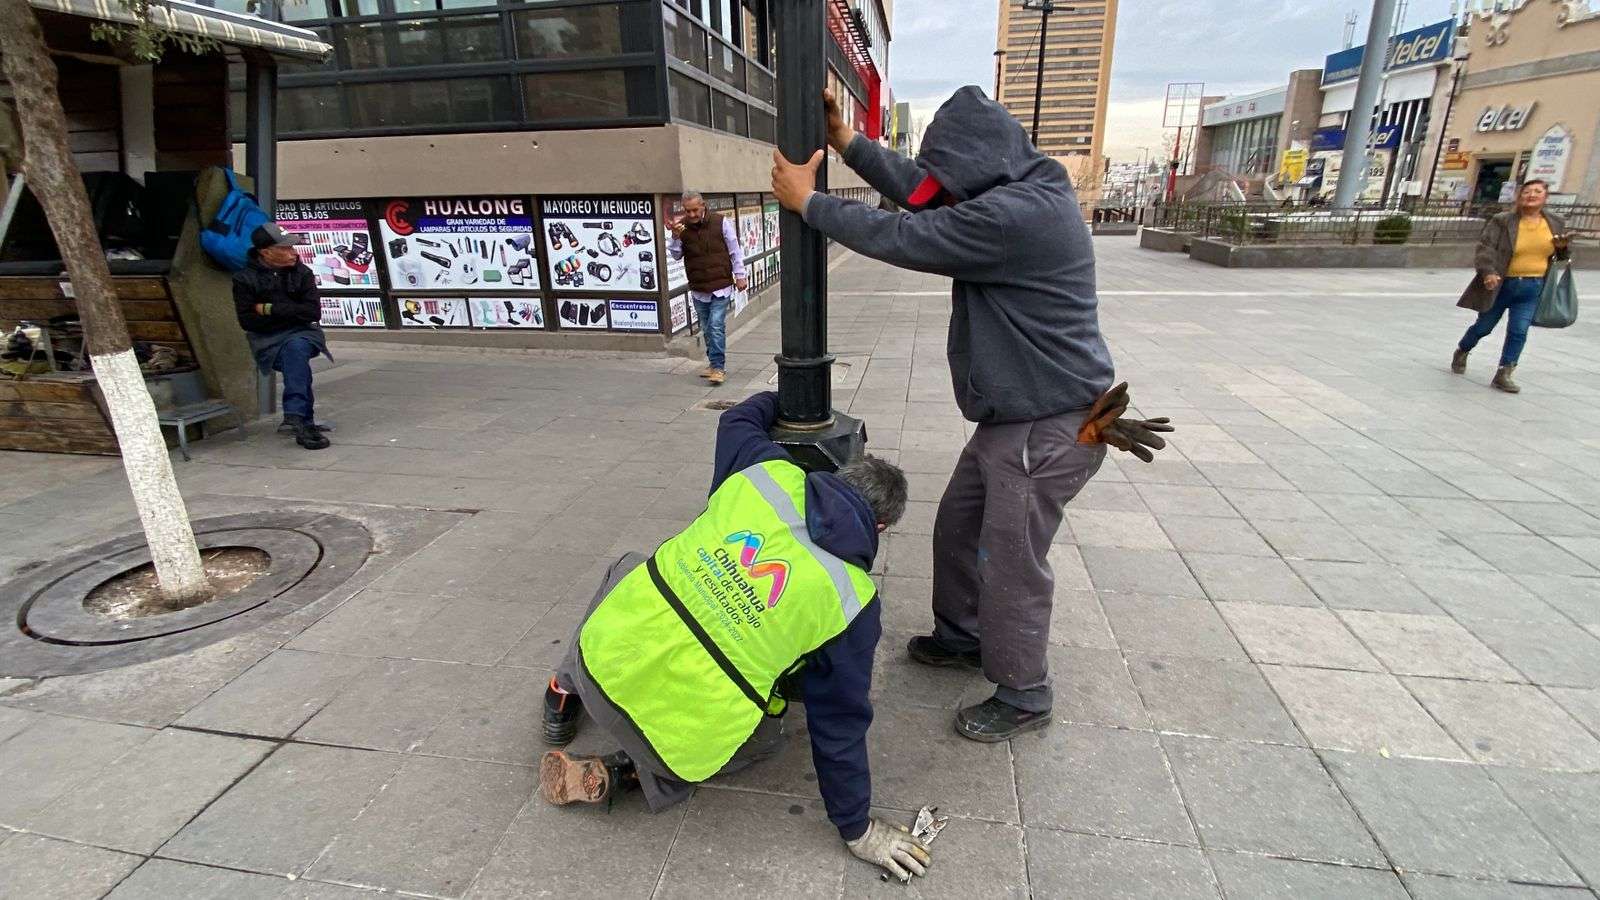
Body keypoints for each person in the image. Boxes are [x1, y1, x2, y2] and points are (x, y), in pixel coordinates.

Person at [769, 86, 1170, 743]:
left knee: (1010, 563)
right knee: (958, 528)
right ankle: (962, 636)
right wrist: (848, 143)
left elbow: (907, 233)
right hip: (1019, 420)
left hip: (1047, 427)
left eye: (950, 174)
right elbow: (924, 194)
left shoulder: (1014, 216)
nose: (940, 187)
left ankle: (1024, 691)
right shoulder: (1015, 188)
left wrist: (809, 203)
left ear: (979, 166)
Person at [538, 392, 932, 883]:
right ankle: (629, 773)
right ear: (881, 527)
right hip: (669, 742)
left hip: (597, 663)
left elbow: (739, 418)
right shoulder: (852, 602)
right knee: (766, 737)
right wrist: (858, 829)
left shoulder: (764, 475)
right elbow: (840, 723)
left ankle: (562, 691)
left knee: (631, 569)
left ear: (837, 476)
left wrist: (789, 396)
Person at [1453, 178, 1571, 393]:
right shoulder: (1503, 220)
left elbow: (1561, 257)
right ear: (1519, 196)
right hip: (1501, 284)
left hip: (1532, 286)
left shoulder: (1555, 222)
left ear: (1545, 197)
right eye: (1527, 191)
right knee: (1484, 327)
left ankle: (1504, 372)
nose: (1531, 195)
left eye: (1537, 191)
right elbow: (1486, 247)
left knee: (1519, 330)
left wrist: (1562, 248)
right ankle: (1463, 349)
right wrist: (1488, 272)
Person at [233, 223, 330, 450]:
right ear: (266, 252)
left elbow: (312, 312)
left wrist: (269, 308)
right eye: (285, 248)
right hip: (266, 339)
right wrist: (291, 312)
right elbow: (248, 321)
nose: (293, 253)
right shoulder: (244, 279)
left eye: (293, 247)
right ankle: (304, 422)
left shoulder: (302, 273)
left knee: (295, 347)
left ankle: (295, 414)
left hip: (304, 333)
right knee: (294, 356)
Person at [667, 191, 748, 386]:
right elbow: (676, 255)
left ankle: (719, 367)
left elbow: (735, 251)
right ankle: (713, 364)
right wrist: (675, 237)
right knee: (706, 327)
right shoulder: (682, 227)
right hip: (698, 287)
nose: (692, 214)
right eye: (688, 211)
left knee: (716, 326)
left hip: (720, 285)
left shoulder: (721, 222)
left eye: (695, 210)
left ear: (703, 205)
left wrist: (740, 275)